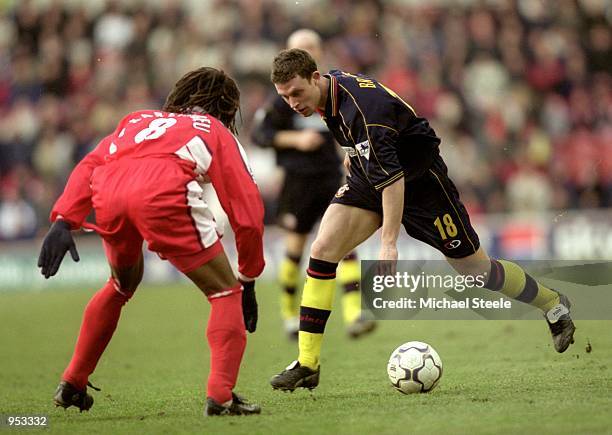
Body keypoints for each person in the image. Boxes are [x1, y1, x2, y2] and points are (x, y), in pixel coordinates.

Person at [267, 49, 576, 392]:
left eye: (296, 93)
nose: (292, 103)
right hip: (375, 179)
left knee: (478, 271)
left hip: (422, 185)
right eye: (284, 97)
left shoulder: (365, 110)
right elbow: (369, 150)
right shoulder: (330, 90)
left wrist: (388, 243)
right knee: (323, 250)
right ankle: (308, 363)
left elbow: (393, 179)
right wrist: (352, 156)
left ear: (315, 78)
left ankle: (552, 304)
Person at [37, 67, 264, 416]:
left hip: (109, 192)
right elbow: (246, 210)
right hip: (162, 189)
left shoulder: (138, 119)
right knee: (224, 292)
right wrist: (248, 276)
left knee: (120, 284)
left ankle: (73, 381)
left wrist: (64, 220)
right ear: (228, 109)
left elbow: (91, 164)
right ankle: (221, 396)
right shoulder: (215, 130)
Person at [252, 29, 374, 340]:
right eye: (300, 47)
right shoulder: (281, 100)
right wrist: (294, 138)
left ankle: (354, 315)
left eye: (311, 47)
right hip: (298, 181)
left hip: (331, 175)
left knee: (346, 245)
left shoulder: (335, 91)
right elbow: (260, 135)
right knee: (295, 248)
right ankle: (290, 316)